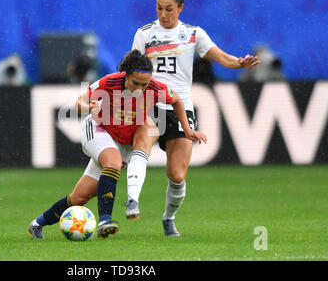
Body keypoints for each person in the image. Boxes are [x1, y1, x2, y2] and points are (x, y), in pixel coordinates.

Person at [127, 0, 261, 236]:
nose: (163, 15)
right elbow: (130, 70)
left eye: (169, 9)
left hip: (180, 108)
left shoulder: (192, 34)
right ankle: (132, 200)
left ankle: (168, 217)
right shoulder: (144, 34)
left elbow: (222, 57)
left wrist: (240, 63)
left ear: (180, 8)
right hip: (150, 104)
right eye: (159, 9)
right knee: (140, 147)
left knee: (177, 175)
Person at [27, 49, 207, 240]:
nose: (139, 89)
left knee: (79, 197)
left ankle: (37, 224)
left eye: (143, 85)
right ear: (126, 75)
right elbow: (79, 101)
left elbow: (177, 100)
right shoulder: (109, 82)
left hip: (122, 141)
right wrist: (90, 108)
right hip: (97, 130)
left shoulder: (155, 87)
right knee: (113, 162)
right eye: (135, 83)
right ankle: (105, 221)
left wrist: (187, 129)